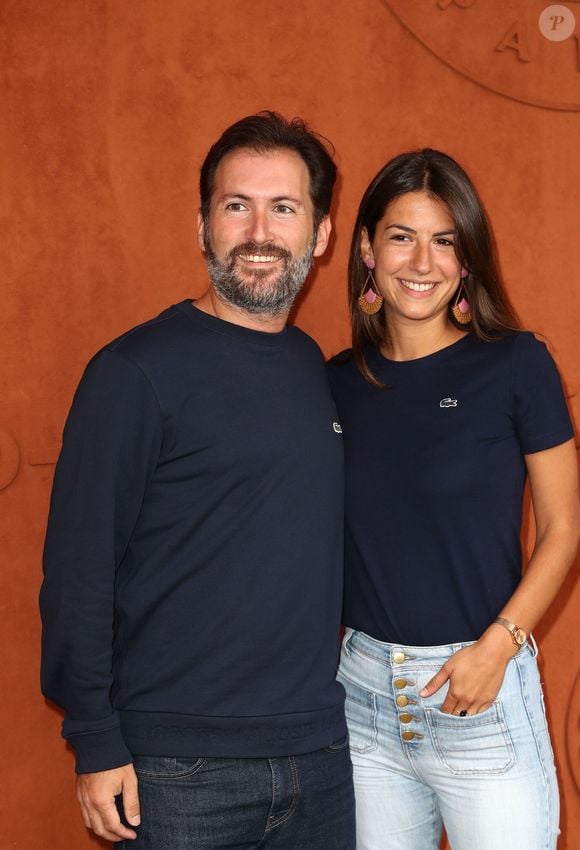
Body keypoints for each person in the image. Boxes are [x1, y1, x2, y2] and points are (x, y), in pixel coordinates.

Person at [40, 111, 355, 849]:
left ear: (323, 234)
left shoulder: (316, 371)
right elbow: (78, 569)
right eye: (235, 205)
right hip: (178, 771)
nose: (259, 232)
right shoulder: (135, 373)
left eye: (284, 208)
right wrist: (94, 736)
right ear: (202, 226)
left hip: (321, 758)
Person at [327, 148, 579, 850]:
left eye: (444, 241)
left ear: (466, 260)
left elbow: (563, 529)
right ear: (367, 251)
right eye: (401, 236)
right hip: (365, 703)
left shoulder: (516, 364)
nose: (422, 261)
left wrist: (499, 647)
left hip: (484, 690)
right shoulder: (335, 384)